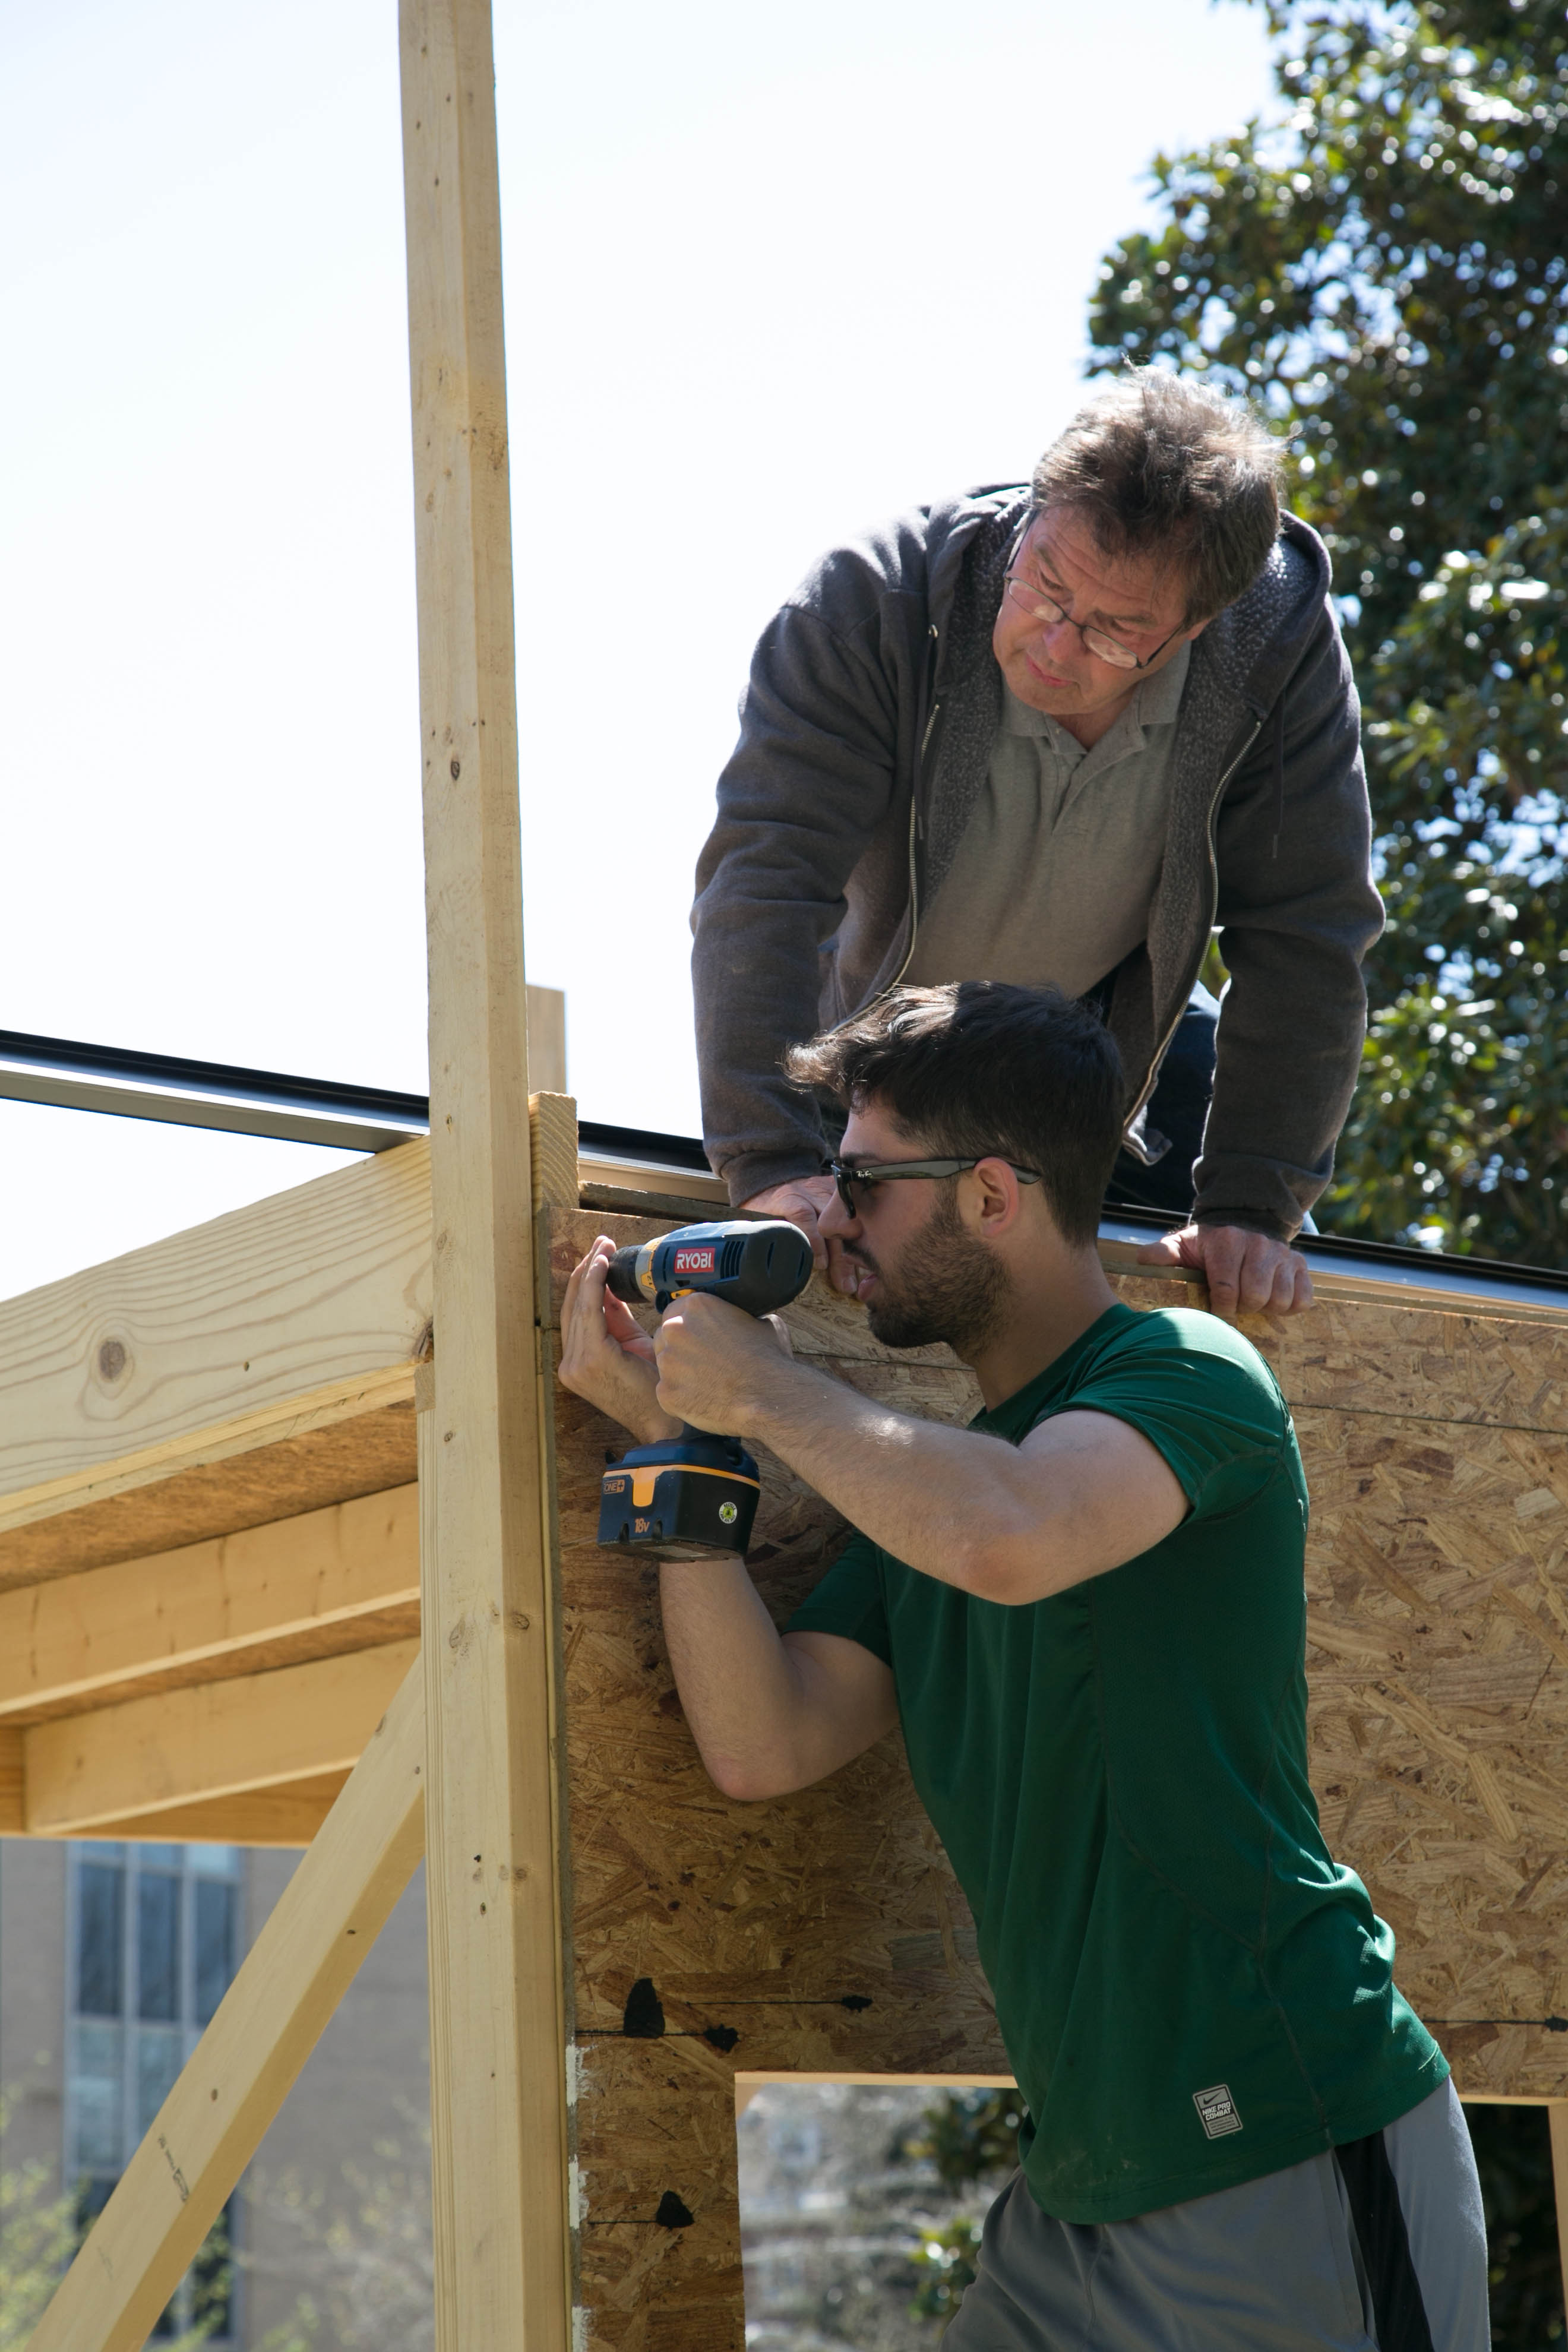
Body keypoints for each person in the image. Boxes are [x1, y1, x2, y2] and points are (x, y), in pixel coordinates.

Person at [560, 982, 1488, 2352]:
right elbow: (766, 1742)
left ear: (993, 1193)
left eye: (868, 1180)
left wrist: (765, 1393)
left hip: (1291, 2138)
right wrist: (682, 1447)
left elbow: (1019, 1534)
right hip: (1079, 2195)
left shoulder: (1187, 1374)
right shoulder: (933, 1491)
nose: (837, 1220)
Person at [690, 369, 1384, 1323]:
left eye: (1115, 631)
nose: (1055, 647)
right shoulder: (869, 603)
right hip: (848, 1058)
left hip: (1100, 1066)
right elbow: (768, 879)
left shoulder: (1277, 649)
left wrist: (1253, 1207)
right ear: (1029, 517)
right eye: (1045, 588)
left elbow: (1308, 929)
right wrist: (770, 1164)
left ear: (1197, 624)